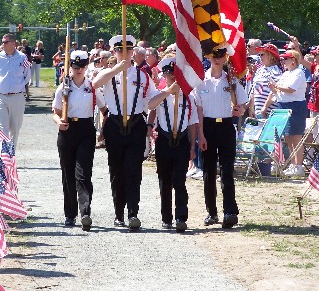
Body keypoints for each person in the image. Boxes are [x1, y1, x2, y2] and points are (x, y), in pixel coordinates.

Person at [92, 35, 156, 231]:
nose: (125, 53)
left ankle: (133, 213)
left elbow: (151, 101)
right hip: (115, 124)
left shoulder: (143, 75)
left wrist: (168, 92)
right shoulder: (109, 73)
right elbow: (95, 84)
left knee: (133, 171)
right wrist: (116, 70)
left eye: (128, 50)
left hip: (136, 123)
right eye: (120, 50)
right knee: (116, 170)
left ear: (133, 52)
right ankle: (118, 213)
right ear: (115, 52)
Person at [193, 44, 248, 229]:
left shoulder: (231, 81)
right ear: (208, 56)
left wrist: (241, 109)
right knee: (208, 172)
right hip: (207, 127)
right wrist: (200, 134)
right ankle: (212, 212)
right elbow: (199, 110)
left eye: (221, 54)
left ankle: (230, 211)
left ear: (226, 57)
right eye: (214, 54)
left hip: (225, 126)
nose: (218, 58)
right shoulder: (201, 81)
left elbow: (243, 102)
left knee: (227, 171)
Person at [52, 50, 106, 229]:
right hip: (68, 130)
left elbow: (104, 109)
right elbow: (56, 112)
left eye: (82, 66)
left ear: (86, 67)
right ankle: (70, 214)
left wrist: (103, 130)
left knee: (83, 173)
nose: (79, 70)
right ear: (71, 67)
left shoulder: (91, 87)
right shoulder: (64, 88)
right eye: (75, 67)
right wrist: (59, 122)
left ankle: (85, 212)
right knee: (68, 174)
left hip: (86, 129)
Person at [147, 56, 198, 232]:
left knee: (179, 181)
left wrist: (192, 146)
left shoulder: (189, 96)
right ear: (164, 76)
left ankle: (181, 217)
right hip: (164, 139)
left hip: (182, 140)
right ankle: (166, 217)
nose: (173, 79)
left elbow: (192, 122)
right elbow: (151, 105)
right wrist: (168, 91)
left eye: (176, 76)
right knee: (165, 180)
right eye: (169, 75)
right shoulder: (160, 94)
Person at [266, 50, 308, 176]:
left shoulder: (298, 72)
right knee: (288, 137)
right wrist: (274, 89)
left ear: (294, 60)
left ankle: (298, 166)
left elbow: (291, 89)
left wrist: (276, 87)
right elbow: (280, 91)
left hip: (295, 106)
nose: (283, 61)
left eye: (286, 59)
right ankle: (293, 164)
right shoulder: (286, 74)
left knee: (296, 137)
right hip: (283, 105)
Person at [0, 33, 31, 147]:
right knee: (2, 128)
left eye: (6, 42)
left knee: (15, 128)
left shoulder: (23, 57)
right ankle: (4, 156)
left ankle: (11, 156)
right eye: (2, 42)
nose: (3, 44)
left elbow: (27, 76)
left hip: (17, 97)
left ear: (13, 43)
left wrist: (18, 86)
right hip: (0, 97)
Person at [250, 43, 282, 118]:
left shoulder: (276, 71)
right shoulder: (259, 70)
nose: (260, 57)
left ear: (271, 56)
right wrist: (251, 107)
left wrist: (265, 107)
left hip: (269, 111)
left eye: (262, 55)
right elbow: (254, 90)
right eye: (259, 55)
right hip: (257, 110)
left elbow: (274, 91)